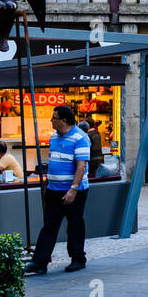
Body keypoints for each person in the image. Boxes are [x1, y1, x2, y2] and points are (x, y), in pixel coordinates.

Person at [25, 106, 91, 276]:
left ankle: (78, 259)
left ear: (63, 120)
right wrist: (48, 185)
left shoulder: (80, 138)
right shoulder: (54, 136)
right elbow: (54, 160)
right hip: (54, 189)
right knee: (49, 225)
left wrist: (73, 189)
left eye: (54, 118)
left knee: (75, 224)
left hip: (73, 190)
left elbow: (81, 165)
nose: (51, 120)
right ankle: (40, 262)